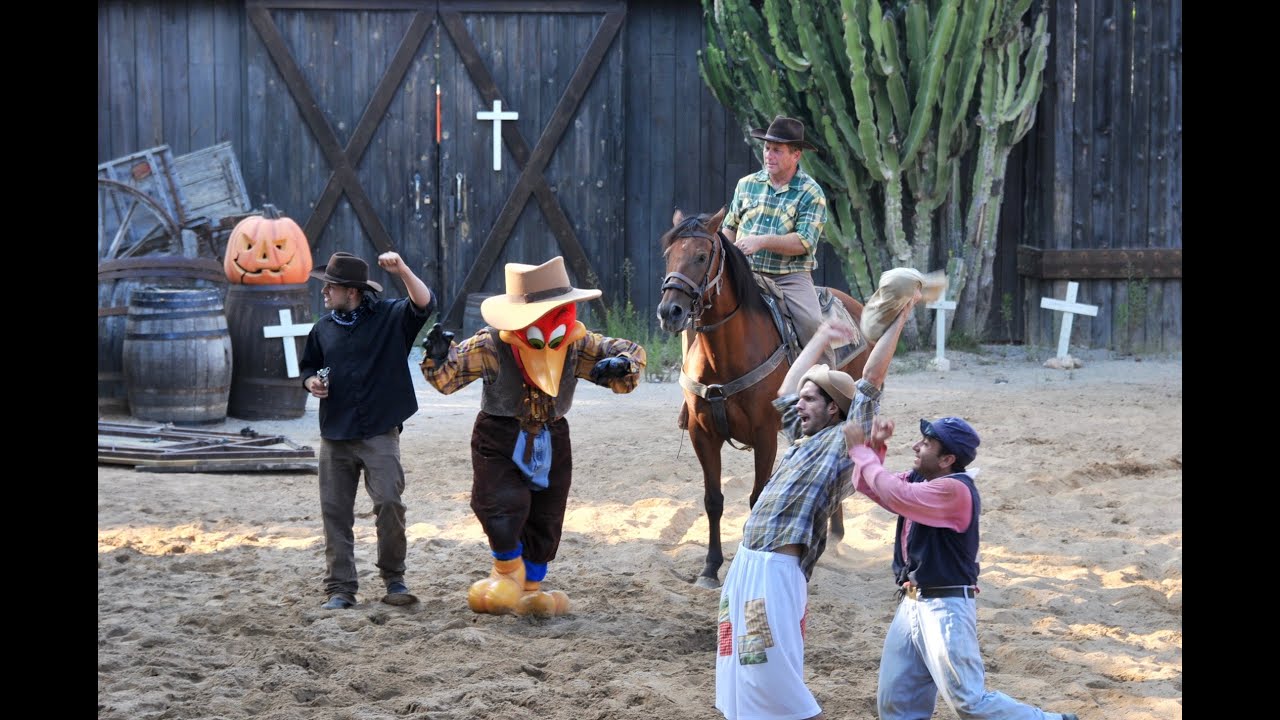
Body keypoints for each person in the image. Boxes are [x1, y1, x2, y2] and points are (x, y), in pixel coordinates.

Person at [715, 297, 916, 720]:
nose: (799, 405)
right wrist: (821, 338)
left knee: (769, 668)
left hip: (774, 571)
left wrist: (898, 319)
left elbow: (872, 379)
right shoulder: (805, 439)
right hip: (750, 565)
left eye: (811, 399)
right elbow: (786, 390)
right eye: (803, 399)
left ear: (834, 408)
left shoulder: (846, 439)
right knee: (746, 665)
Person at [419, 256, 646, 617]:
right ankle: (506, 572)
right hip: (500, 435)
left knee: (548, 513)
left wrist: (622, 364)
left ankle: (531, 587)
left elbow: (627, 353)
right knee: (502, 503)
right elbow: (449, 378)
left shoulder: (576, 343)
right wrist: (436, 357)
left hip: (554, 435)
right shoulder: (491, 345)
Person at [844, 417, 1081, 720]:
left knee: (969, 703)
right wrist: (874, 449)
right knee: (896, 704)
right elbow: (867, 484)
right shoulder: (924, 481)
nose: (916, 446)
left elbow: (895, 494)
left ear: (947, 460)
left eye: (926, 444)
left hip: (945, 607)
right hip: (913, 602)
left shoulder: (955, 491)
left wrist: (861, 452)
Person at [299, 251, 433, 610]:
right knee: (335, 512)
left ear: (352, 291)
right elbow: (308, 366)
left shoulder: (390, 317)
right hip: (335, 434)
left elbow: (424, 303)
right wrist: (311, 381)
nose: (324, 292)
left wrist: (403, 269)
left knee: (390, 502)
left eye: (330, 287)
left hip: (379, 431)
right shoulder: (322, 328)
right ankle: (340, 589)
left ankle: (394, 580)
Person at [722, 115, 828, 356]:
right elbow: (729, 227)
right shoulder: (746, 184)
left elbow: (804, 241)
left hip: (789, 278)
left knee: (812, 324)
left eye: (777, 150)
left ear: (796, 155)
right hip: (744, 271)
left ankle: (825, 380)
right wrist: (726, 256)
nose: (769, 155)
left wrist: (761, 241)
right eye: (767, 148)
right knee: (703, 308)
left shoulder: (811, 192)